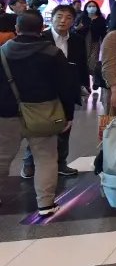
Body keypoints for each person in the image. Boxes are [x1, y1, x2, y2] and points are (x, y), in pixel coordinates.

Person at [0, 11, 77, 216]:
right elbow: (66, 87)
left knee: (2, 157)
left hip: (6, 114)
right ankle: (45, 204)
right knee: (46, 158)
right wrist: (68, 115)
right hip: (44, 114)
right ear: (42, 28)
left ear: (17, 29)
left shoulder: (2, 53)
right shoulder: (53, 54)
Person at [22, 5, 87, 178]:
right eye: (59, 16)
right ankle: (29, 163)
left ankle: (61, 163)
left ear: (73, 21)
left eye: (68, 17)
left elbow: (81, 64)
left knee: (65, 126)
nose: (63, 21)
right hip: (43, 91)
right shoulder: (40, 38)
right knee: (39, 128)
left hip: (67, 90)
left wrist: (83, 85)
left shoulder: (77, 40)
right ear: (51, 18)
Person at [73, 0, 107, 93]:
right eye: (89, 6)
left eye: (93, 6)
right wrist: (78, 28)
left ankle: (95, 79)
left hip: (95, 42)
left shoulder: (100, 19)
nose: (92, 8)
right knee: (83, 61)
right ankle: (85, 83)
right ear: (86, 8)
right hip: (82, 42)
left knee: (93, 61)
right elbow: (74, 29)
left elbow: (103, 32)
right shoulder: (82, 17)